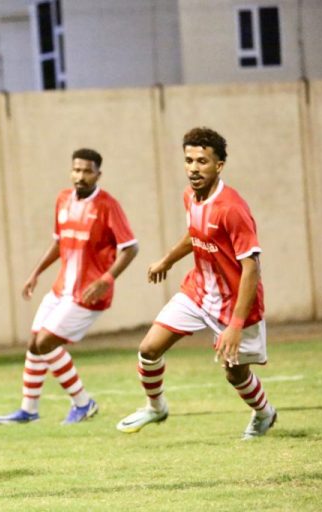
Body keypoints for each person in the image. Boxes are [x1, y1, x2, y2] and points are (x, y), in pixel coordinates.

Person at [116, 127, 276, 440]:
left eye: (202, 161)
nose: (193, 168)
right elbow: (196, 234)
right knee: (149, 348)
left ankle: (264, 412)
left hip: (236, 304)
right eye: (189, 160)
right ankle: (156, 407)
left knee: (235, 373)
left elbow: (251, 268)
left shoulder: (232, 209)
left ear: (219, 165)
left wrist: (235, 325)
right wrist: (167, 260)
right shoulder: (190, 196)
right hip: (198, 292)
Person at [0, 148, 138, 425]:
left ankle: (83, 403)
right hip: (61, 289)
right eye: (76, 170)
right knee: (34, 344)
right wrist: (36, 272)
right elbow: (59, 242)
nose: (80, 176)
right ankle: (29, 411)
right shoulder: (63, 199)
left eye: (87, 171)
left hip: (89, 293)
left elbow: (131, 248)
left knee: (45, 342)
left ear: (98, 174)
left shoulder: (108, 205)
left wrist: (106, 280)